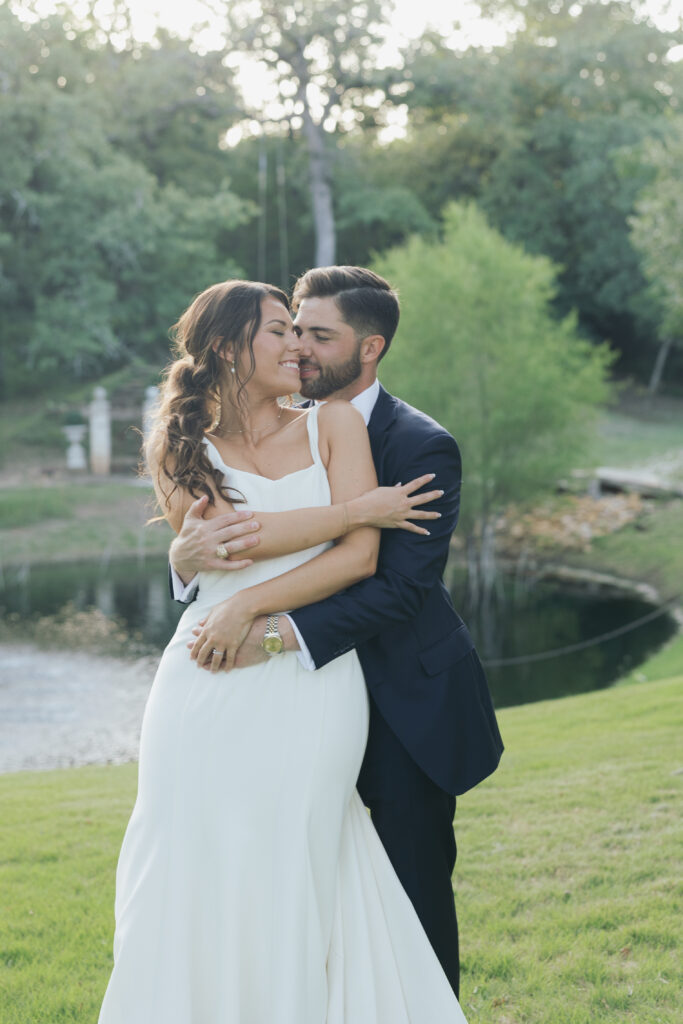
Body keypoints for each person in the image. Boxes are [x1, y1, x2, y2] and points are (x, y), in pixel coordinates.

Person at [99, 278, 468, 1022]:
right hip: (203, 677)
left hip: (306, 678)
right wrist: (355, 508)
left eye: (301, 333)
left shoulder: (333, 424)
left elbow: (359, 560)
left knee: (299, 851)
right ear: (228, 347)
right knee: (187, 852)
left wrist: (249, 606)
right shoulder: (177, 440)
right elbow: (225, 545)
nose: (294, 345)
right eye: (278, 331)